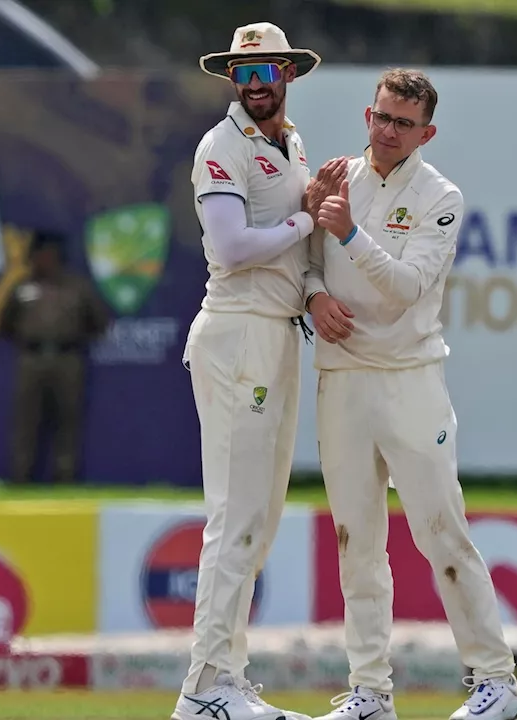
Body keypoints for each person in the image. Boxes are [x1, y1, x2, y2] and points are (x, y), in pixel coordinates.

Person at [304, 68, 517, 720]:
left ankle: (496, 684)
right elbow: (307, 259)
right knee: (356, 540)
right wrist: (315, 291)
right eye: (383, 117)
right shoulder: (336, 176)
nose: (391, 131)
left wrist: (348, 232)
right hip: (341, 375)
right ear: (366, 116)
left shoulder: (439, 195)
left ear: (426, 131)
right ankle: (370, 692)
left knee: (440, 530)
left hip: (409, 380)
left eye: (405, 123)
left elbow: (406, 287)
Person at [173, 22, 326, 720]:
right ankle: (205, 685)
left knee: (257, 522)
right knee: (234, 518)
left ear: (289, 74)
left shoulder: (290, 143)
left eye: (268, 71)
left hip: (278, 334)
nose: (257, 84)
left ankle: (226, 682)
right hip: (238, 335)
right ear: (232, 78)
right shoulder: (221, 146)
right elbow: (232, 248)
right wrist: (306, 221)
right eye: (246, 72)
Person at [0, 230, 109, 484]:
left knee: (68, 419)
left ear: (58, 257)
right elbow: (4, 323)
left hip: (67, 358)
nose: (43, 260)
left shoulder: (77, 287)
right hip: (32, 358)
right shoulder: (23, 287)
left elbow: (99, 322)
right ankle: (21, 476)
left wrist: (73, 337)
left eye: (48, 255)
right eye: (38, 255)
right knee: (27, 420)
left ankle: (65, 476)